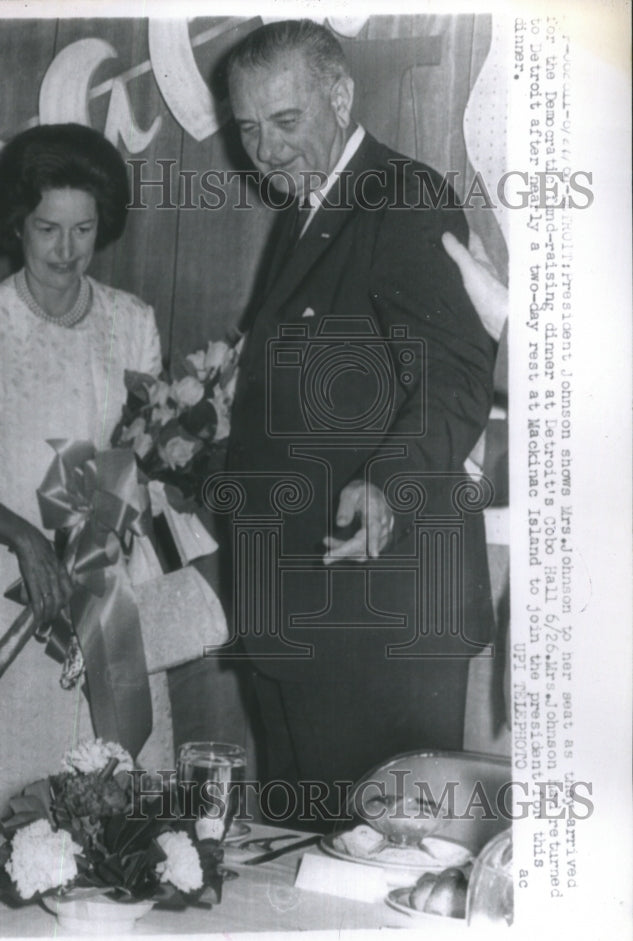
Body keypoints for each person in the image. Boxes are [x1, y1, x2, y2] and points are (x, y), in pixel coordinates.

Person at [223, 21, 498, 823]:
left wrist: (386, 485)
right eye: (246, 129)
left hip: (378, 622)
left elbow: (452, 379)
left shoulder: (401, 197)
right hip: (305, 614)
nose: (265, 151)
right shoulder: (311, 207)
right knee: (303, 868)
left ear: (340, 97)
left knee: (375, 876)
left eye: (283, 121)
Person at [0, 124, 164, 847]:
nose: (66, 251)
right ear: (16, 226)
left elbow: (146, 454)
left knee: (108, 808)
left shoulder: (132, 323)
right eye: (47, 229)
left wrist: (115, 508)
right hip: (9, 584)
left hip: (105, 591)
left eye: (83, 229)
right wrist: (27, 537)